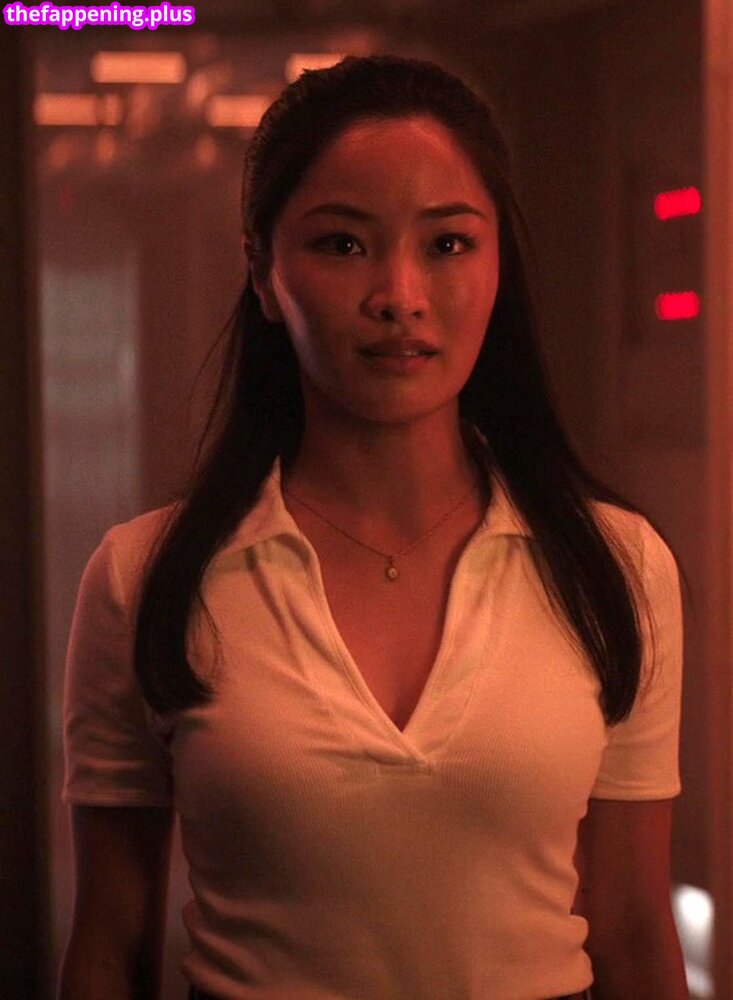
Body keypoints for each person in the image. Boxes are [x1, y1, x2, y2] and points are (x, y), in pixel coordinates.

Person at [58, 55, 688, 1000]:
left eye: (447, 243)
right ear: (263, 274)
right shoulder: (147, 575)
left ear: (499, 267)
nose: (400, 294)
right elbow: (110, 944)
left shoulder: (616, 567)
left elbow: (635, 939)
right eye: (344, 244)